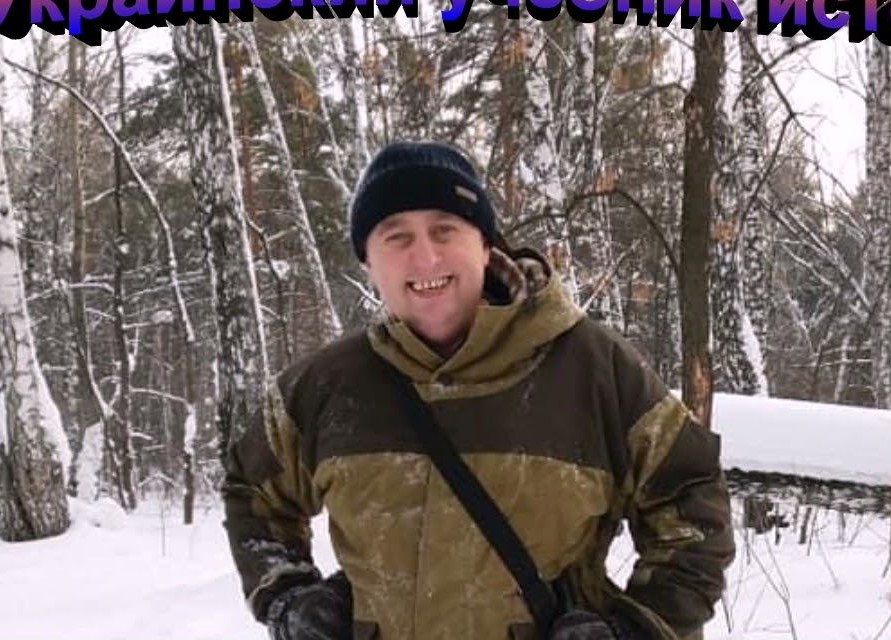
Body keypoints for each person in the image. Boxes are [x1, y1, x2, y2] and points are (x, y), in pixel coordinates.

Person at [222, 140, 734, 640]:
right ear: (368, 264)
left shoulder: (594, 370)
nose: (425, 257)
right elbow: (253, 492)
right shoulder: (326, 386)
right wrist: (287, 595)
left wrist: (635, 628)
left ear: (486, 245)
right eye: (396, 237)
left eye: (444, 230)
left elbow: (692, 500)